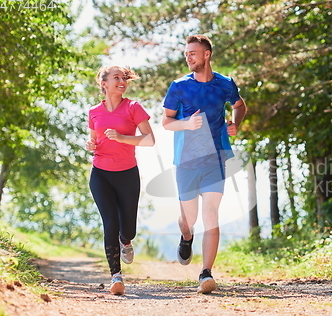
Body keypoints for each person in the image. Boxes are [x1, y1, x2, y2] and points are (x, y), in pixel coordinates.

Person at [162, 35, 247, 294]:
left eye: (192, 53)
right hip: (187, 159)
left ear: (207, 55)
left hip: (216, 157)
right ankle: (186, 237)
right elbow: (166, 122)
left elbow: (240, 106)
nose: (188, 57)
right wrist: (186, 124)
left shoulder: (224, 84)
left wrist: (236, 123)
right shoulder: (178, 86)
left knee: (211, 213)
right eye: (186, 53)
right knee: (190, 219)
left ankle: (206, 273)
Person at [86, 65, 155, 295]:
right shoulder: (94, 111)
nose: (122, 81)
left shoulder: (133, 107)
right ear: (104, 83)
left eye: (124, 78)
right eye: (116, 77)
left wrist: (123, 138)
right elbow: (94, 140)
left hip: (127, 174)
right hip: (100, 173)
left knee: (127, 229)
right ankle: (116, 276)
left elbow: (149, 140)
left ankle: (126, 241)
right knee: (110, 223)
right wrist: (91, 145)